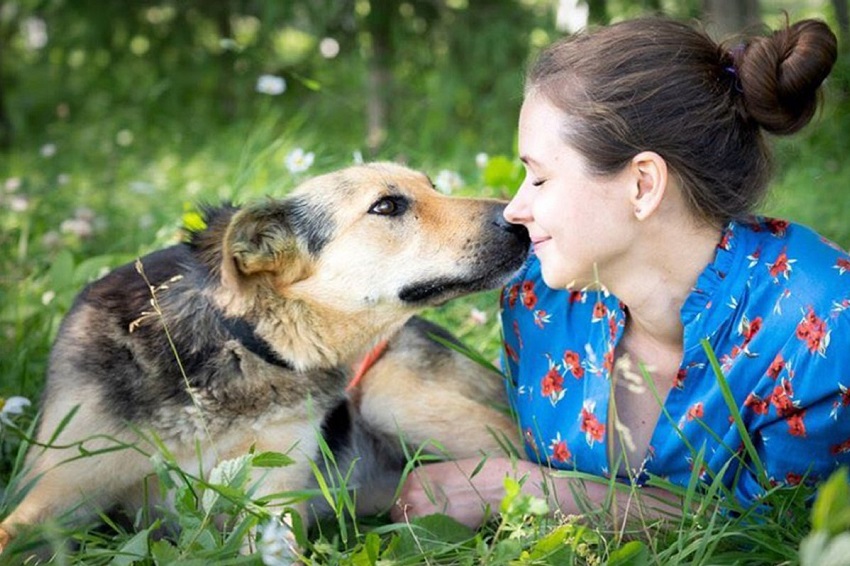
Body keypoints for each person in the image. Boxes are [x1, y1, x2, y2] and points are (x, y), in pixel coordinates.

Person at [390, 16, 850, 528]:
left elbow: (787, 536)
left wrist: (529, 488)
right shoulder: (536, 300)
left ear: (642, 185)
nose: (514, 209)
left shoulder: (825, 331)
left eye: (540, 178)